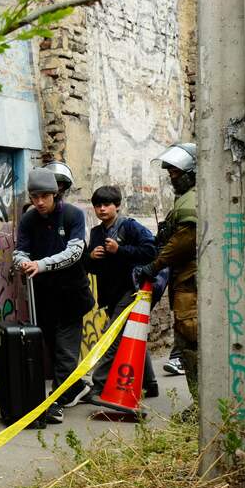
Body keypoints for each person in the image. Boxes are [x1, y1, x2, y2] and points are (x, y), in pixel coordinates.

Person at [12, 165, 94, 421]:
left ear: (55, 194)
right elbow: (20, 251)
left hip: (71, 296)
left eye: (44, 196)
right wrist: (23, 262)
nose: (39, 202)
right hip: (43, 297)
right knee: (53, 348)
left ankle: (56, 402)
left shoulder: (73, 215)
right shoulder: (28, 219)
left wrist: (41, 265)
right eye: (34, 197)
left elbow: (75, 252)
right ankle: (77, 386)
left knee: (65, 352)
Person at [134, 143, 198, 404]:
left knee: (192, 345)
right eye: (170, 172)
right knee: (188, 346)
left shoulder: (191, 200)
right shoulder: (189, 198)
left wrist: (154, 266)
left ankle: (202, 406)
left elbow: (184, 241)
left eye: (176, 172)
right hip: (186, 282)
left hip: (192, 284)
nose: (172, 177)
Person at [82, 185, 158, 401]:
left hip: (131, 291)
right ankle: (150, 383)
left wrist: (120, 250)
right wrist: (91, 257)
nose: (102, 209)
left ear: (117, 206)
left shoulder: (130, 227)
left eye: (106, 205)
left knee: (112, 337)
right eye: (98, 205)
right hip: (110, 295)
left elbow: (151, 251)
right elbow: (92, 267)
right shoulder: (96, 233)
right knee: (131, 334)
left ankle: (99, 384)